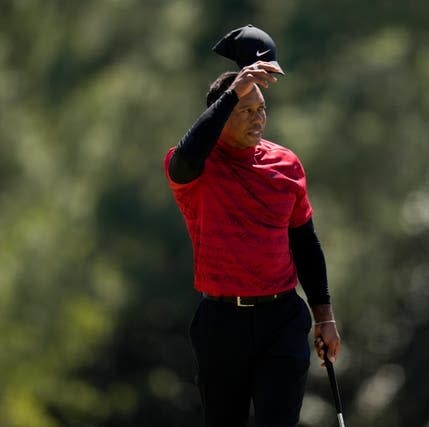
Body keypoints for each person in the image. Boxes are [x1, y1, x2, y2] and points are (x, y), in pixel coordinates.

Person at [163, 58, 341, 426]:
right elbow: (184, 159)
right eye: (245, 110)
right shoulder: (196, 169)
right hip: (221, 323)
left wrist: (325, 317)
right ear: (223, 112)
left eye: (261, 109)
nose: (258, 118)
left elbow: (306, 244)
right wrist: (232, 93)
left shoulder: (286, 165)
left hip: (282, 318)